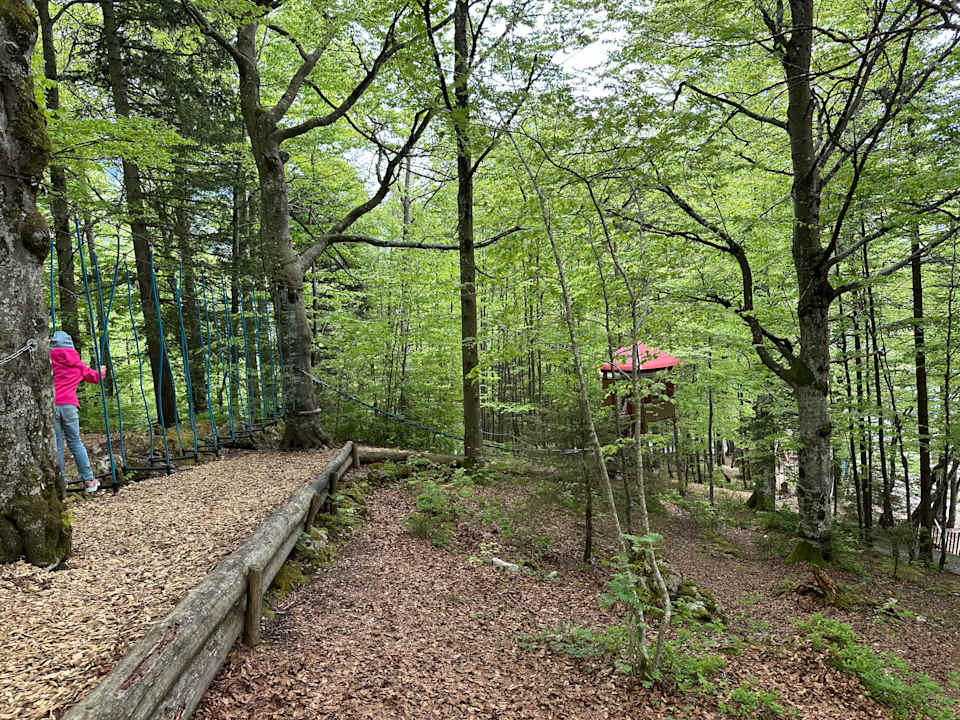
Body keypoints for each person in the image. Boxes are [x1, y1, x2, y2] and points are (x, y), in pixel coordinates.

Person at [49, 331, 105, 493]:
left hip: (51, 406)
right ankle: (88, 480)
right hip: (69, 406)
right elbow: (94, 377)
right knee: (75, 442)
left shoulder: (47, 362)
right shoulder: (77, 364)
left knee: (57, 445)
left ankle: (62, 481)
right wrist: (101, 371)